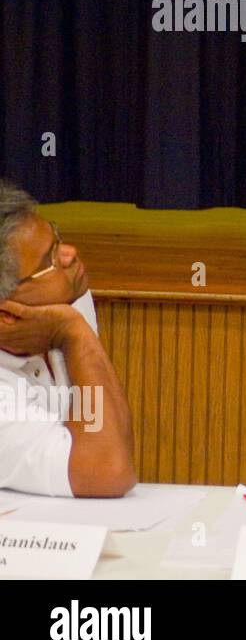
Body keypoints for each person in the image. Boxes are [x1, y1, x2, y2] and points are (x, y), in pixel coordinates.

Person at [0, 180, 136, 497]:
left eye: (57, 236)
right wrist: (75, 334)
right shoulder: (65, 321)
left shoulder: (68, 303)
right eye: (50, 260)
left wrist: (72, 328)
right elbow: (109, 470)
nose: (69, 254)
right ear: (8, 314)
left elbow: (111, 435)